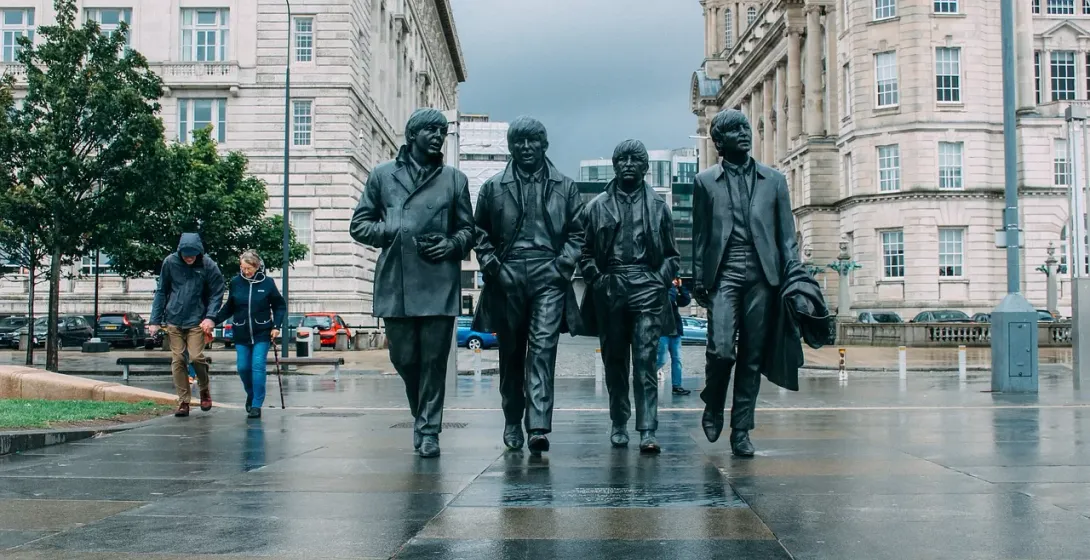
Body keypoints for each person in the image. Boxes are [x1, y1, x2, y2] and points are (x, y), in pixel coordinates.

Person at [692, 108, 826, 457]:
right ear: (719, 142)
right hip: (725, 272)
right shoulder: (705, 182)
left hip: (764, 277)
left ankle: (741, 430)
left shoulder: (775, 180)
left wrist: (794, 277)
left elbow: (786, 238)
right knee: (721, 350)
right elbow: (701, 236)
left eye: (746, 128)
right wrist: (699, 280)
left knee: (751, 357)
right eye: (735, 130)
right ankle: (713, 401)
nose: (745, 134)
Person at [349, 108, 474, 458]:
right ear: (413, 135)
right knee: (404, 358)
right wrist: (390, 229)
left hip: (438, 281)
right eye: (431, 130)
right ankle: (421, 416)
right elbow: (359, 225)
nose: (438, 136)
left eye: (442, 132)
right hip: (397, 281)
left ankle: (429, 430)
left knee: (434, 361)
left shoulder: (454, 180)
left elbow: (469, 230)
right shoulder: (382, 176)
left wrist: (452, 244)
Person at [472, 116, 585, 456]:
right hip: (507, 275)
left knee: (542, 350)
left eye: (532, 141)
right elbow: (480, 234)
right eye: (518, 142)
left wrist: (561, 266)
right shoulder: (493, 187)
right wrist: (494, 267)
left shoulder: (565, 186)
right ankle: (511, 419)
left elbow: (577, 233)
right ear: (511, 146)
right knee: (511, 354)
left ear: (543, 145)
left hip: (548, 275)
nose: (525, 148)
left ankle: (537, 425)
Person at [579, 139, 681, 454]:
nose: (627, 164)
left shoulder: (658, 207)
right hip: (611, 287)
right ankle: (619, 422)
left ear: (645, 167)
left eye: (634, 159)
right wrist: (597, 279)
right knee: (615, 362)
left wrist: (657, 280)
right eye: (621, 159)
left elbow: (671, 256)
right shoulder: (596, 207)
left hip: (646, 288)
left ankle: (648, 429)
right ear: (614, 165)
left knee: (646, 361)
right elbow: (584, 253)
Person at [149, 233, 226, 418]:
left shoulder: (208, 264)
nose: (189, 258)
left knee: (196, 357)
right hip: (174, 318)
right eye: (186, 254)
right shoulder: (170, 262)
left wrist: (210, 317)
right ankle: (184, 401)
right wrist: (155, 320)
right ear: (180, 251)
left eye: (193, 254)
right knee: (178, 360)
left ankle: (204, 389)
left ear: (199, 252)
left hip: (197, 320)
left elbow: (217, 292)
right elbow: (162, 291)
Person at [214, 251, 286, 419]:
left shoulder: (267, 283)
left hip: (262, 332)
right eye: (242, 268)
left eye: (248, 268)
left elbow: (279, 306)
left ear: (256, 267)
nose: (245, 271)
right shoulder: (236, 283)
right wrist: (213, 320)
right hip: (241, 331)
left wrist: (276, 326)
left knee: (258, 366)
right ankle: (251, 393)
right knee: (243, 367)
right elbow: (229, 307)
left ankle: (256, 404)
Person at [656, 277, 692, 395]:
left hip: (675, 331)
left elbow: (686, 300)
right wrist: (671, 285)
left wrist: (681, 287)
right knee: (661, 359)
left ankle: (677, 386)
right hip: (663, 330)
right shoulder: (662, 289)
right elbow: (668, 299)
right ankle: (646, 378)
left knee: (677, 360)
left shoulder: (673, 291)